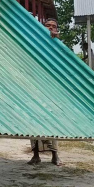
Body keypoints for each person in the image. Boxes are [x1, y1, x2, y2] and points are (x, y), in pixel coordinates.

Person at [29, 18, 61, 166]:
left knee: (52, 121)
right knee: (33, 121)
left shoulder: (58, 44)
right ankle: (35, 155)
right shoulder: (36, 41)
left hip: (52, 88)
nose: (50, 28)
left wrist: (57, 41)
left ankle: (55, 155)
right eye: (47, 25)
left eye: (53, 26)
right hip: (35, 86)